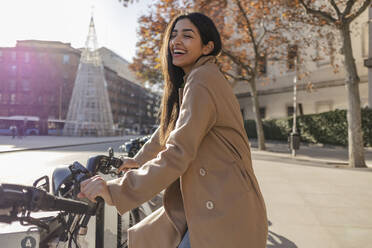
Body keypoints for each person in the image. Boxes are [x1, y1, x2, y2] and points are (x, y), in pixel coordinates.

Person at [78, 12, 268, 248]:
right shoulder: (197, 78)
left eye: (187, 36)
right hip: (215, 200)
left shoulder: (202, 80)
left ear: (207, 47)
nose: (176, 42)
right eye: (174, 35)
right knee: (147, 237)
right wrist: (137, 160)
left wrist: (115, 190)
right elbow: (171, 128)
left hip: (223, 207)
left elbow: (179, 151)